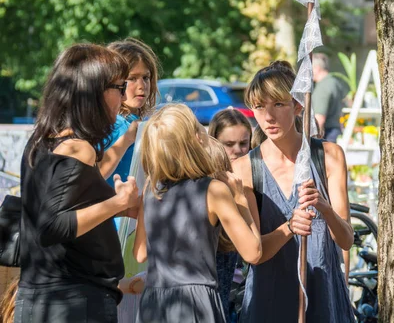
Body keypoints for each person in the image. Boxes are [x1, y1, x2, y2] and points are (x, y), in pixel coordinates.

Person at [15, 43, 139, 323]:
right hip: (74, 302)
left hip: (41, 298)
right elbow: (52, 225)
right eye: (120, 88)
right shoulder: (75, 147)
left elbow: (64, 209)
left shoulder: (41, 142)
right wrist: (118, 202)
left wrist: (117, 209)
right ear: (94, 92)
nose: (124, 98)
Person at [232, 61, 355, 323]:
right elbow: (255, 252)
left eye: (278, 104)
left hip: (323, 298)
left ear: (298, 106)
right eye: (259, 107)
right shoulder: (245, 168)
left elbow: (346, 240)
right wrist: (289, 227)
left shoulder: (329, 157)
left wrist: (325, 209)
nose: (268, 116)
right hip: (269, 300)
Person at [133, 104, 261, 323]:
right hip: (196, 303)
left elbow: (140, 253)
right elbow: (253, 253)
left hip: (155, 302)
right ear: (197, 140)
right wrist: (240, 200)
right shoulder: (213, 190)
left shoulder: (151, 188)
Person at [208, 109, 253, 319]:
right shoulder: (207, 183)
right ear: (213, 142)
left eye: (244, 143)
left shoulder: (254, 175)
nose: (238, 150)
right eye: (229, 144)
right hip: (211, 280)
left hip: (242, 284)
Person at [99, 38, 160, 185]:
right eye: (132, 78)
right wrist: (126, 139)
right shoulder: (115, 123)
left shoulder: (132, 121)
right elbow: (95, 173)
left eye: (146, 77)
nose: (141, 85)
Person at [312, 52, 347, 142]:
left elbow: (319, 117)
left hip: (327, 134)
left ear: (317, 68)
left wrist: (313, 140)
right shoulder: (335, 82)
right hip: (336, 130)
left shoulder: (323, 87)